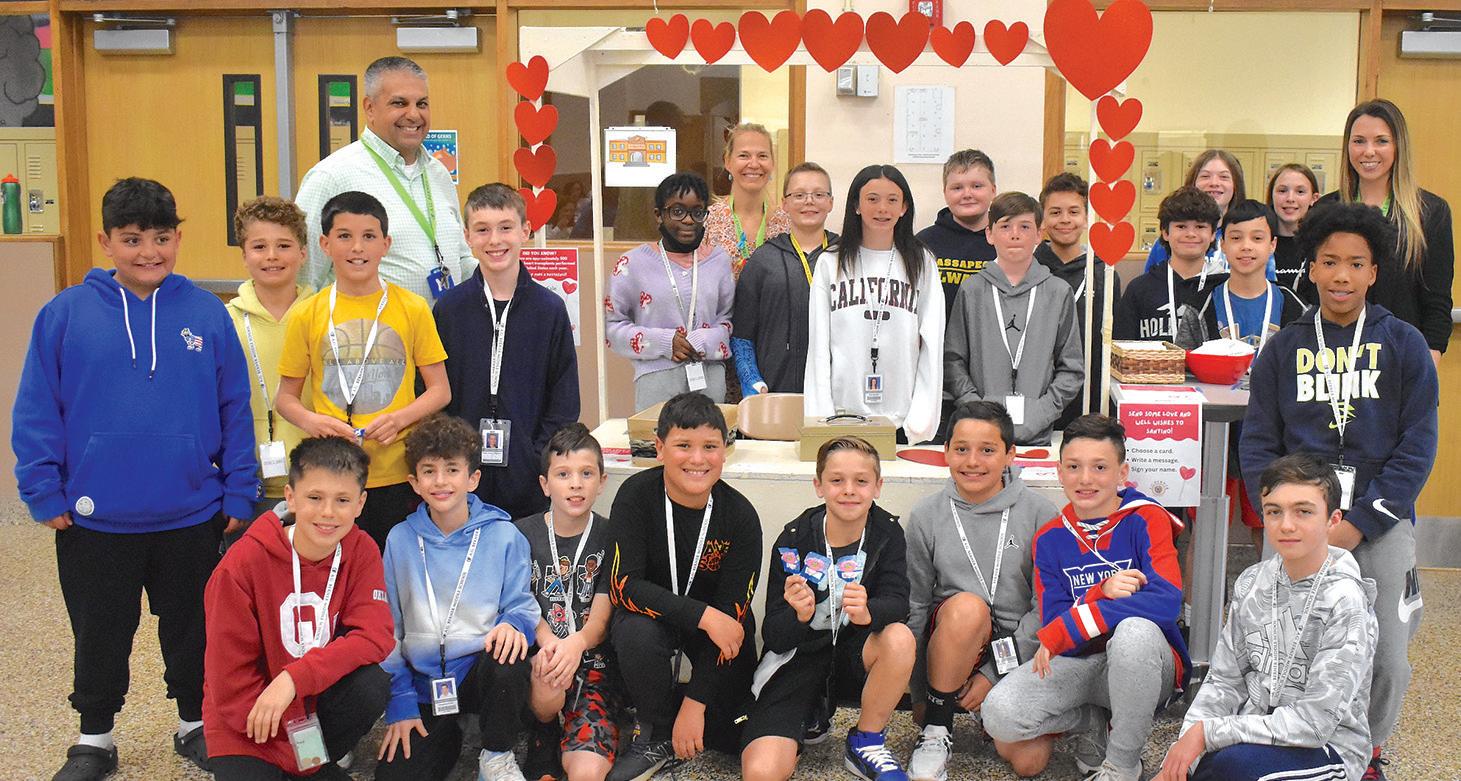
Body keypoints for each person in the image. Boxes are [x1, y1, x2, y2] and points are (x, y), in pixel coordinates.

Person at [13, 177, 257, 781]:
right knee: (100, 630)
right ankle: (94, 738)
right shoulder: (65, 314)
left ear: (178, 238)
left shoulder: (206, 312)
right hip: (95, 517)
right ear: (105, 242)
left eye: (162, 237)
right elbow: (37, 407)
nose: (149, 251)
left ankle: (195, 724)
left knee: (194, 628)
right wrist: (42, 488)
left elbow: (235, 406)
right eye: (132, 239)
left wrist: (239, 488)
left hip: (192, 512)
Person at [1240, 202, 1438, 781]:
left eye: (1356, 264)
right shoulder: (1283, 348)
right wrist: (1287, 515)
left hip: (1380, 518)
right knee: (1286, 648)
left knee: (1387, 653)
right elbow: (1258, 444)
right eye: (1329, 262)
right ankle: (1294, 744)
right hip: (1300, 523)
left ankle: (1366, 752)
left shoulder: (1403, 344)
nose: (1342, 276)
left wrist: (1360, 523)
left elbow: (1417, 447)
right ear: (1312, 268)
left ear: (1374, 272)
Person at [982, 415, 1189, 781]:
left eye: (1100, 467)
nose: (1086, 479)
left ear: (1122, 473)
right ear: (1059, 473)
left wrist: (1082, 618)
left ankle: (1122, 765)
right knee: (999, 713)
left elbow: (1165, 602)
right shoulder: (1050, 538)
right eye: (1074, 467)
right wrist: (1099, 592)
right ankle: (1094, 721)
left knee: (1134, 632)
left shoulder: (1146, 518)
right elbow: (1055, 622)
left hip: (1144, 663)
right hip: (1081, 662)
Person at [1156, 453, 1378, 781]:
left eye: (1303, 511)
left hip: (1329, 747)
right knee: (1200, 768)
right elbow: (1224, 682)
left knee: (1236, 768)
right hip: (1255, 735)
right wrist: (1181, 758)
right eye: (1274, 512)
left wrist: (1208, 734)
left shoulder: (1345, 600)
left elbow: (1315, 724)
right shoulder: (1252, 582)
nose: (1286, 525)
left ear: (1332, 520)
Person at [203, 437, 394, 781]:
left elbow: (374, 636)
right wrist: (293, 754)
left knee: (371, 685)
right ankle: (308, 764)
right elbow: (228, 680)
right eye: (314, 498)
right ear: (290, 497)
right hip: (248, 724)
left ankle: (315, 761)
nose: (328, 512)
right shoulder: (241, 564)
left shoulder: (361, 549)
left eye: (342, 500)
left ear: (360, 503)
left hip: (310, 715)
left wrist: (294, 678)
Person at [275, 191, 451, 549]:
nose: (357, 247)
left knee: (390, 569)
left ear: (386, 244)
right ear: (325, 244)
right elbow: (285, 398)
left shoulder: (412, 308)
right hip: (332, 475)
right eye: (344, 236)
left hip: (397, 472)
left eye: (369, 236)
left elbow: (440, 390)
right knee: (335, 568)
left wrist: (400, 419)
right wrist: (313, 422)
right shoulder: (307, 314)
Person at [605, 393, 761, 781]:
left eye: (710, 446)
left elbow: (731, 617)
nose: (697, 459)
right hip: (654, 617)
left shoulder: (741, 517)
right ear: (659, 448)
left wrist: (697, 702)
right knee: (635, 630)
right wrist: (701, 615)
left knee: (731, 737)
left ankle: (682, 708)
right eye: (683, 446)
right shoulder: (636, 496)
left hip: (716, 634)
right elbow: (623, 587)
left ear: (724, 450)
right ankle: (654, 730)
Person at [376, 414, 541, 781]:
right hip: (424, 683)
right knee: (395, 777)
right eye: (429, 471)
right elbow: (389, 627)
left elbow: (522, 605)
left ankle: (496, 754)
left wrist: (514, 625)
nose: (440, 481)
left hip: (480, 674)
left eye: (452, 469)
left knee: (509, 657)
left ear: (473, 479)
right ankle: (451, 730)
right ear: (414, 483)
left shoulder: (505, 536)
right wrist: (401, 699)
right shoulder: (399, 540)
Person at [740, 436, 913, 781]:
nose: (849, 490)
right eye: (836, 480)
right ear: (818, 486)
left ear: (878, 487)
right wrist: (799, 616)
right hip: (799, 659)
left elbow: (899, 602)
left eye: (861, 481)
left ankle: (865, 741)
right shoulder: (794, 538)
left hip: (853, 654)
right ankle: (807, 716)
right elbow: (773, 635)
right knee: (761, 772)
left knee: (899, 638)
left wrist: (869, 612)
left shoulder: (887, 533)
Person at [904, 401, 1057, 781]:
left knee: (1029, 762)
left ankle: (988, 709)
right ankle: (938, 726)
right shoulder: (926, 515)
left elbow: (1045, 607)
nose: (973, 461)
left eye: (987, 450)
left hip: (1016, 649)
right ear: (945, 452)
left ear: (1010, 454)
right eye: (961, 449)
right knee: (969, 609)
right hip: (955, 636)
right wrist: (921, 695)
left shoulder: (1041, 513)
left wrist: (992, 674)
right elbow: (916, 605)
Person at [435, 183, 579, 520]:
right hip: (460, 476)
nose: (494, 240)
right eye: (482, 230)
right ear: (467, 237)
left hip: (528, 480)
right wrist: (451, 457)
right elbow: (433, 391)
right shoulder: (449, 309)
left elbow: (564, 399)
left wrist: (536, 456)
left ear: (525, 231)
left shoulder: (549, 309)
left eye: (505, 228)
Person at [296, 56, 474, 304]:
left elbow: (461, 260)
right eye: (399, 103)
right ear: (370, 108)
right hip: (367, 328)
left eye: (422, 104)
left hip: (444, 327)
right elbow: (304, 281)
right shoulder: (331, 177)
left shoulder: (438, 173)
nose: (414, 114)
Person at [1184, 199, 1305, 550]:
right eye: (1236, 238)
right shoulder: (1202, 304)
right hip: (1214, 431)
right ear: (1222, 244)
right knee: (1206, 529)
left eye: (1257, 238)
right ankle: (1200, 591)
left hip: (1273, 432)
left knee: (1271, 525)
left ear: (1273, 245)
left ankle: (1275, 589)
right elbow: (1182, 365)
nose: (1246, 247)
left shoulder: (1294, 307)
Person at [805, 164, 945, 444]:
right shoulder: (830, 262)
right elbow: (818, 347)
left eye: (892, 200)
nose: (882, 208)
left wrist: (920, 420)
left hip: (903, 419)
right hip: (842, 416)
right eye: (872, 199)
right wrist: (822, 417)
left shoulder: (922, 262)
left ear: (904, 207)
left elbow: (932, 345)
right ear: (856, 205)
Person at [517, 423, 619, 781]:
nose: (576, 484)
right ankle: (544, 731)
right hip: (544, 656)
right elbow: (519, 601)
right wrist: (552, 644)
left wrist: (576, 644)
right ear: (545, 484)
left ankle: (580, 729)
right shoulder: (521, 534)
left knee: (587, 774)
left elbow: (602, 617)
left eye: (586, 473)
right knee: (547, 678)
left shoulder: (611, 535)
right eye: (563, 474)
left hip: (593, 664)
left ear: (601, 482)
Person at [1319, 99, 1454, 363]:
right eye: (1359, 141)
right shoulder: (1326, 210)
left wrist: (1428, 363)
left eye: (1381, 141)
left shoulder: (1431, 212)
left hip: (1402, 359)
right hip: (1336, 359)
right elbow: (1315, 292)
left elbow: (1437, 302)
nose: (1368, 152)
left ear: (1398, 146)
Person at [944, 191, 1083, 446]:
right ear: (989, 234)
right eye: (1005, 226)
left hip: (1038, 431)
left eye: (1025, 226)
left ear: (1039, 234)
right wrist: (977, 410)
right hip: (980, 431)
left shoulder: (1058, 292)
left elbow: (1071, 368)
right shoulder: (972, 290)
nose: (1015, 234)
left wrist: (1043, 411)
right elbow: (953, 361)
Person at [606, 172, 735, 410]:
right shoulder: (633, 264)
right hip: (656, 384)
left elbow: (728, 320)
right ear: (659, 215)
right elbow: (613, 329)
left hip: (709, 381)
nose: (688, 220)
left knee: (708, 435)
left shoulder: (719, 261)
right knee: (656, 436)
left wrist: (703, 340)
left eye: (697, 212)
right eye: (677, 211)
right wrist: (664, 342)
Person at [226, 197, 313, 533]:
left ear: (303, 253)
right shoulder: (226, 321)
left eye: (284, 245)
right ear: (244, 255)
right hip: (247, 481)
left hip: (316, 476)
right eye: (259, 246)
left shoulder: (323, 314)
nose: (272, 256)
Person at [731, 161, 838, 396]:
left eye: (819, 194)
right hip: (774, 393)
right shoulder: (763, 260)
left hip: (836, 395)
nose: (809, 201)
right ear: (785, 203)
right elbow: (741, 335)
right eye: (799, 195)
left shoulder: (847, 257)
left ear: (831, 202)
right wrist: (752, 380)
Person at [1036, 172, 1122, 426]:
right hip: (1039, 390)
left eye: (1074, 212)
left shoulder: (1104, 273)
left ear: (1086, 218)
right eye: (1055, 212)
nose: (1065, 219)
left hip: (1089, 391)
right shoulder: (1030, 269)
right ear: (1042, 219)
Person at [1113, 186, 1226, 344]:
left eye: (1200, 227)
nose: (1191, 234)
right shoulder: (1139, 289)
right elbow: (1121, 348)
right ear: (1165, 233)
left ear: (1213, 234)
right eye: (1181, 226)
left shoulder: (1223, 287)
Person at [916, 149, 999, 321]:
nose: (967, 194)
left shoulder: (1008, 241)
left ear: (993, 190)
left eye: (977, 186)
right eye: (957, 188)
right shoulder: (923, 244)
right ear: (945, 192)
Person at [701, 122, 791, 277]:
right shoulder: (709, 221)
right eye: (744, 155)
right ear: (727, 162)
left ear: (772, 163)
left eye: (762, 156)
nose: (754, 164)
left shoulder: (786, 224)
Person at [1143, 150, 1245, 273]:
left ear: (1236, 185)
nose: (1214, 183)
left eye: (1224, 177)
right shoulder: (1169, 241)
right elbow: (1151, 281)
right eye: (1205, 176)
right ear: (1193, 182)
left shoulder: (1248, 237)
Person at [1266, 163, 1321, 296]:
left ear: (1314, 198)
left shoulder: (1321, 245)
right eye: (1282, 191)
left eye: (1300, 192)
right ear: (1271, 195)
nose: (1290, 198)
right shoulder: (1260, 243)